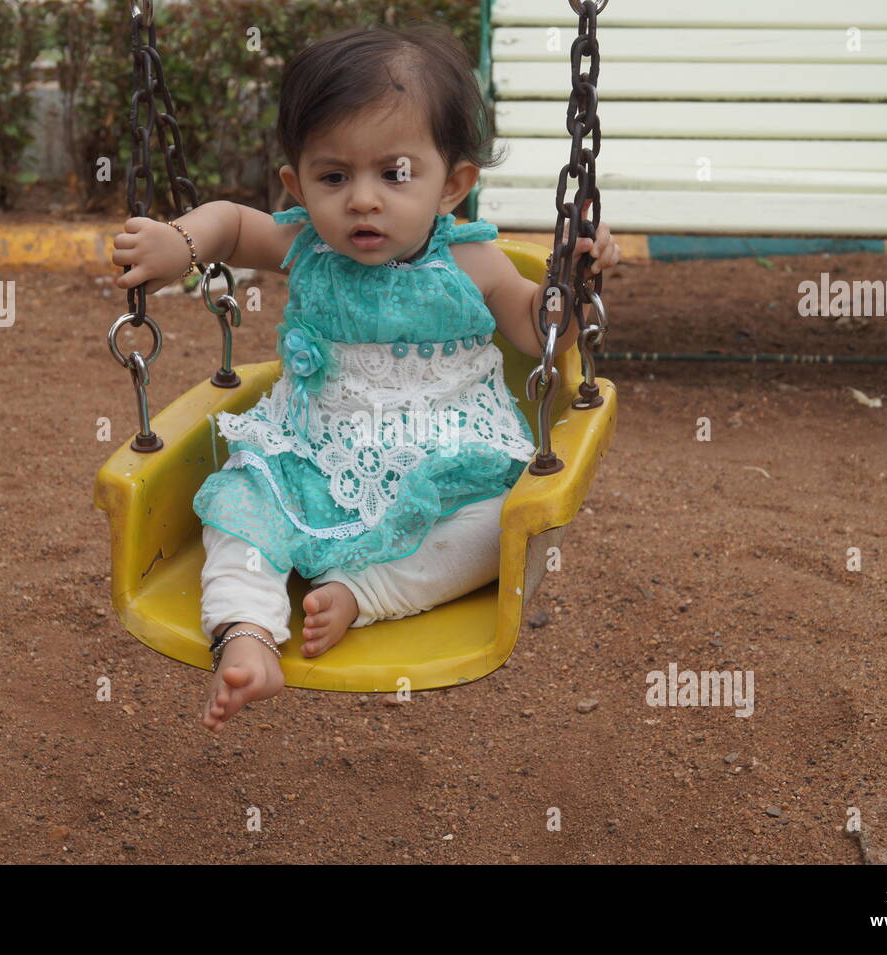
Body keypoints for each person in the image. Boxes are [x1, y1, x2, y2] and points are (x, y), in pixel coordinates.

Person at [111, 24, 619, 731]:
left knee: (500, 530)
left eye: (395, 174)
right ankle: (247, 630)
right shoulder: (305, 245)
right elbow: (228, 224)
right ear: (297, 185)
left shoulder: (474, 266)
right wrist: (182, 242)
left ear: (454, 186)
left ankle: (365, 590)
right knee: (236, 507)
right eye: (333, 177)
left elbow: (541, 333)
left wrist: (573, 277)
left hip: (447, 466)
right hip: (315, 456)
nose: (362, 200)